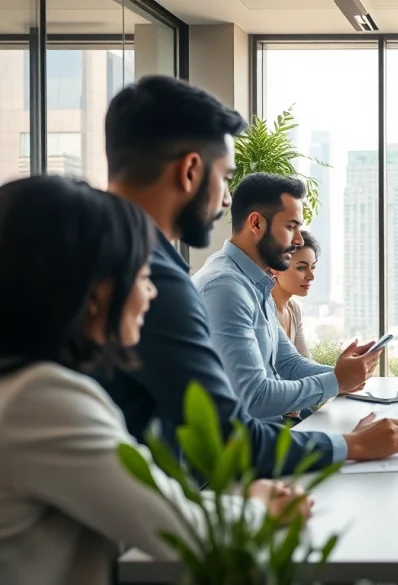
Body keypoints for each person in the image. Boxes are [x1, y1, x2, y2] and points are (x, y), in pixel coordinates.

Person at [95, 75, 398, 479]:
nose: (227, 197)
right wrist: (349, 442)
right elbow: (235, 424)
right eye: (226, 177)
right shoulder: (177, 282)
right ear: (191, 170)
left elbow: (280, 363)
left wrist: (339, 377)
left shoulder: (113, 259)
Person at [0, 176, 309, 585]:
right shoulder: (42, 401)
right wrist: (261, 507)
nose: (152, 293)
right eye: (142, 274)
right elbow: (187, 533)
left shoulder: (30, 386)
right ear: (93, 293)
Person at [193, 173, 364, 421]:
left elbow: (289, 363)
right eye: (291, 227)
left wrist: (350, 376)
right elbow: (255, 398)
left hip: (266, 436)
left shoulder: (256, 283)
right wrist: (336, 381)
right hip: (242, 451)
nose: (298, 240)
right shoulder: (226, 288)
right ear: (256, 224)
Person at [271, 229, 319, 358]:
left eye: (312, 267)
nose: (311, 276)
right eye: (301, 268)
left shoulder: (294, 310)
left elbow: (305, 361)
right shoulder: (260, 310)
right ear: (275, 268)